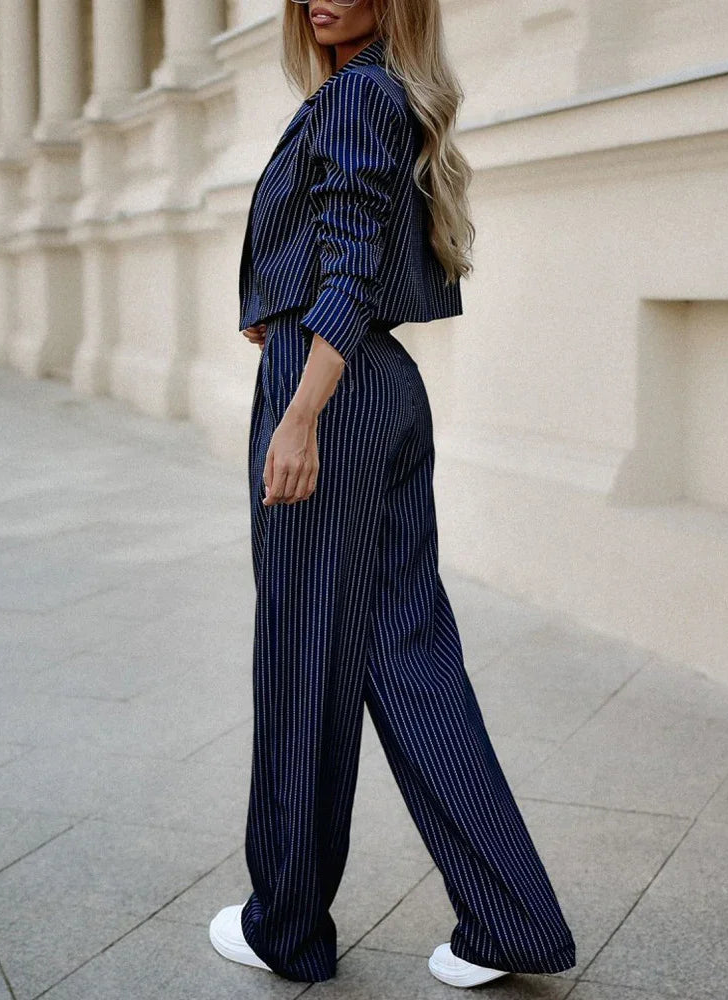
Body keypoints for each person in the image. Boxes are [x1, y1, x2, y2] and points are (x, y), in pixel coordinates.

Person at [209, 0, 577, 987]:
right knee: (404, 649)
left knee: (301, 653)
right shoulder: (367, 93)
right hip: (371, 384)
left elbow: (351, 262)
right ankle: (512, 918)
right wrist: (272, 308)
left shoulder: (355, 97)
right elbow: (342, 247)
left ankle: (285, 924)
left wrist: (296, 411)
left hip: (328, 393)